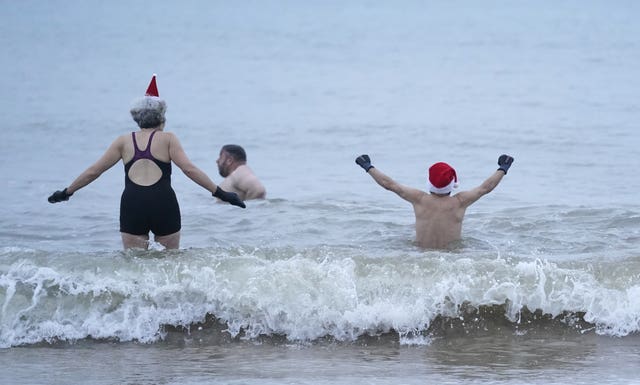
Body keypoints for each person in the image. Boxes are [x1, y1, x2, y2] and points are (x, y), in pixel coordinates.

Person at [48, 74, 245, 250]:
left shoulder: (123, 141)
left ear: (137, 119)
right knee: (170, 264)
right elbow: (189, 169)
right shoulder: (168, 139)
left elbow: (94, 171)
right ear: (162, 117)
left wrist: (67, 192)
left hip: (133, 204)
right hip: (163, 203)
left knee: (134, 266)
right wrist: (222, 194)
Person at [355, 154, 514, 249]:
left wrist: (368, 167)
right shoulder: (460, 202)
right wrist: (503, 168)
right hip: (451, 260)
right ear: (453, 184)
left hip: (422, 259)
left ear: (429, 182)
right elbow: (486, 188)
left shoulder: (419, 199)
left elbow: (389, 184)